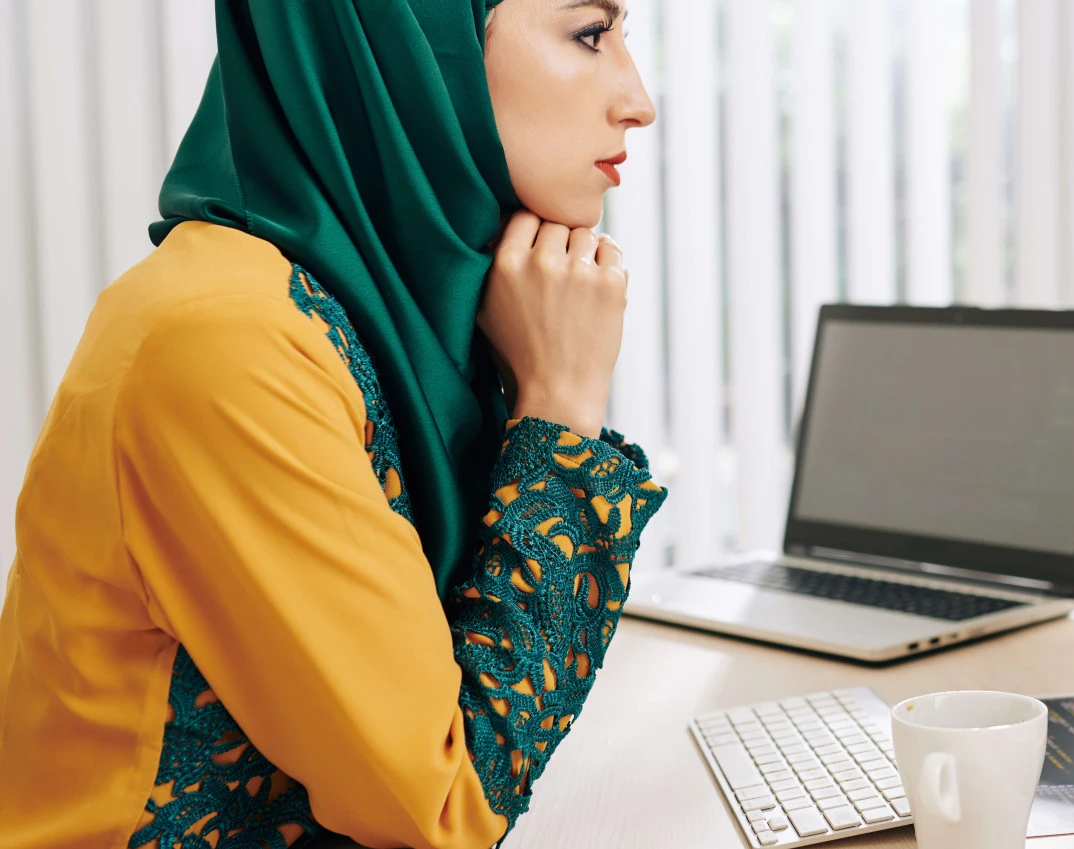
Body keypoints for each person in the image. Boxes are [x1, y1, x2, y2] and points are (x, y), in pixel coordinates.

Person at [0, 1, 663, 846]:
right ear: (413, 46)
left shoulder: (375, 311)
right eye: (590, 33)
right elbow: (442, 805)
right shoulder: (224, 342)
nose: (638, 99)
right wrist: (562, 410)